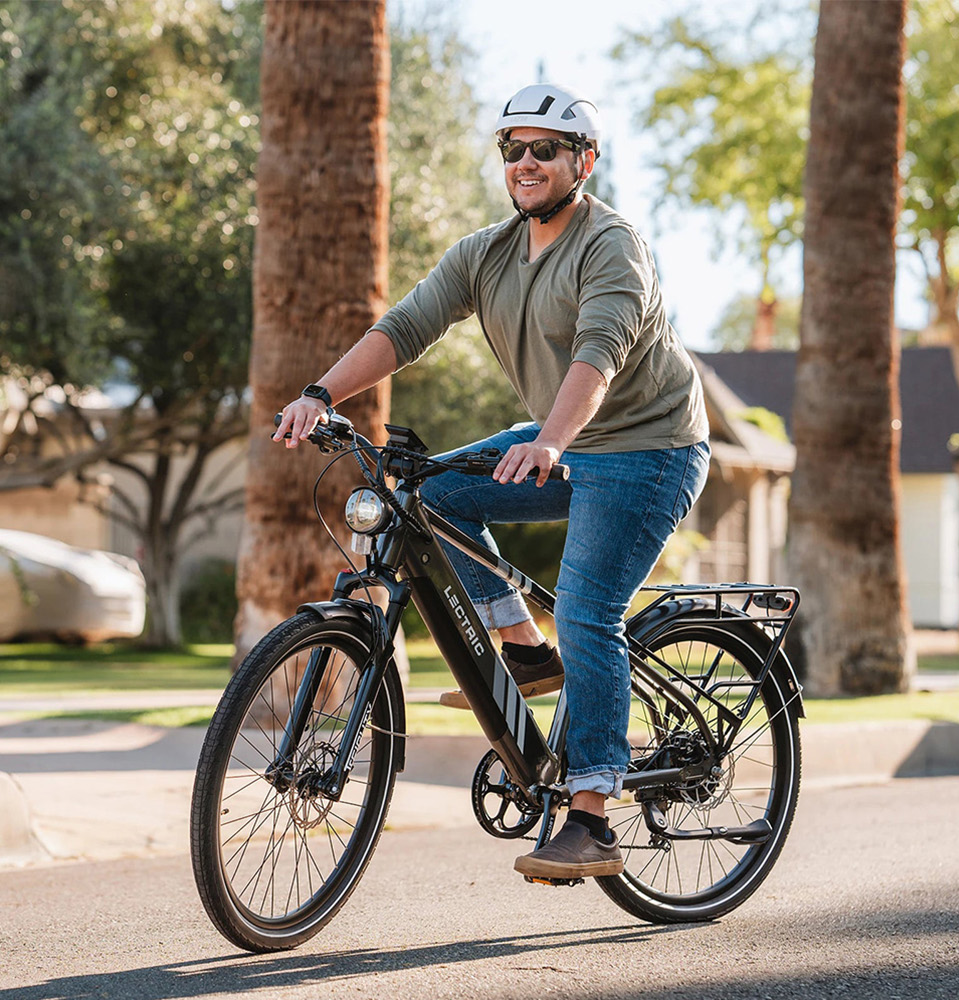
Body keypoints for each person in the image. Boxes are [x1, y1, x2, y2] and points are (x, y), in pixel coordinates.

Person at [271, 83, 710, 880]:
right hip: (562, 441)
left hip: (648, 449)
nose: (526, 163)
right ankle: (526, 652)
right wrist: (319, 394)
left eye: (546, 149)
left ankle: (592, 817)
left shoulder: (614, 245)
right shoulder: (487, 253)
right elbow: (404, 327)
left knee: (588, 605)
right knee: (433, 498)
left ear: (584, 160)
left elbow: (599, 354)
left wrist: (549, 438)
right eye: (513, 149)